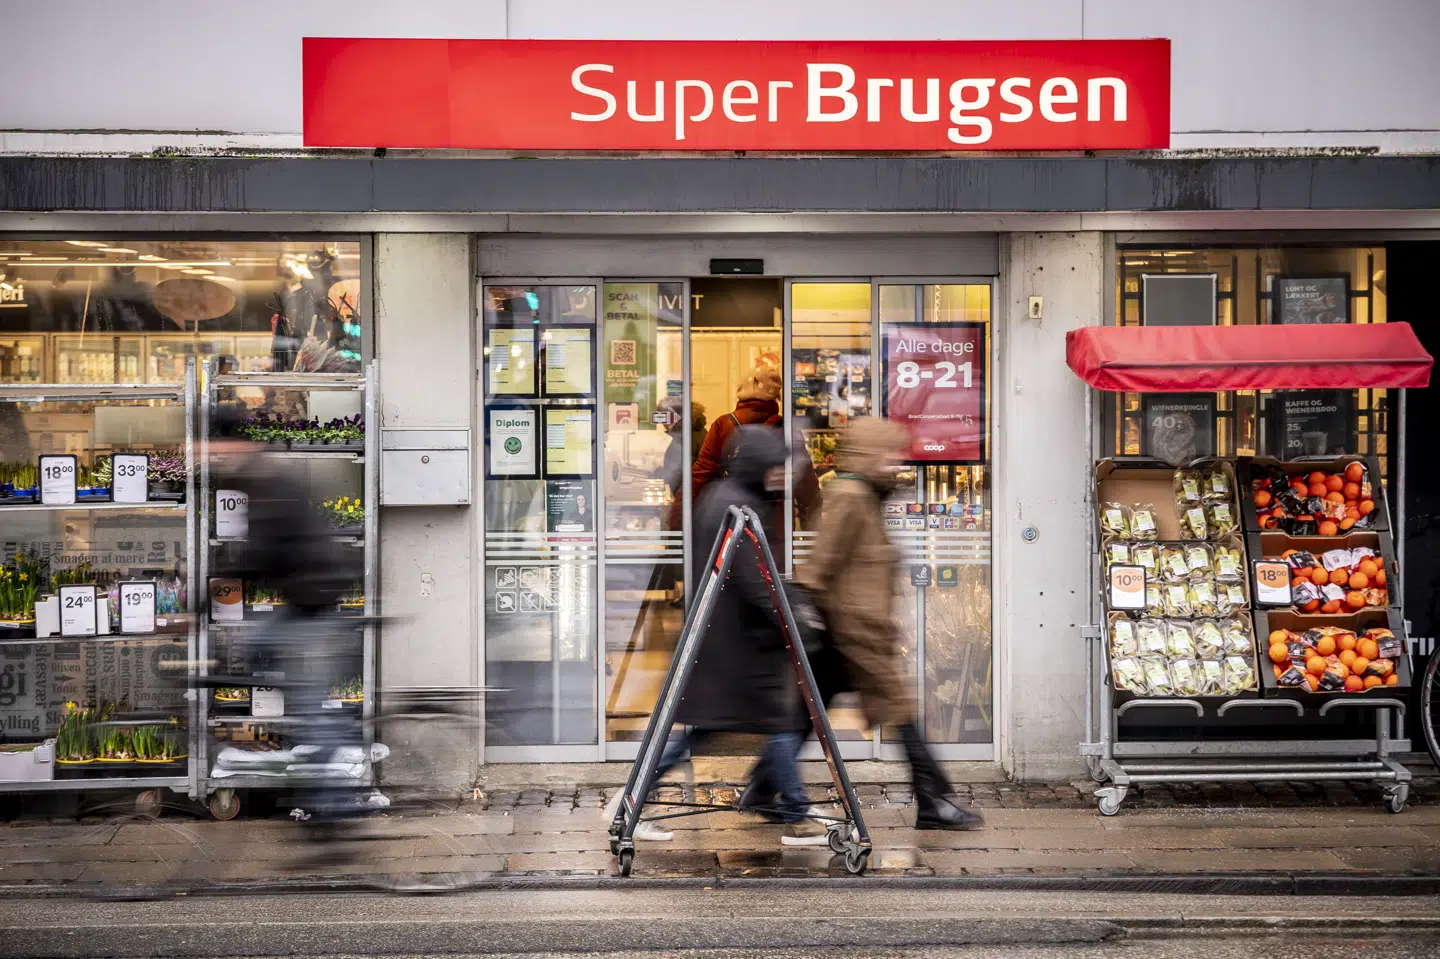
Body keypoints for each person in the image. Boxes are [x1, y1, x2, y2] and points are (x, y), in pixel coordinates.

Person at [606, 425, 822, 844]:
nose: (784, 474)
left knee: (741, 726)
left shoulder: (729, 498)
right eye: (777, 466)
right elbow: (756, 580)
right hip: (735, 645)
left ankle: (792, 809)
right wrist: (793, 616)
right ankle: (793, 811)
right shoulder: (736, 505)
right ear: (760, 463)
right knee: (760, 724)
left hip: (729, 642)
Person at [796, 417, 983, 831]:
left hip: (860, 629)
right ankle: (933, 801)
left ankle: (765, 788)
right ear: (866, 455)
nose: (893, 462)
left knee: (806, 715)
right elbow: (821, 563)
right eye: (886, 454)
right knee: (901, 712)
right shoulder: (849, 496)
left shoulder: (866, 495)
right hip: (853, 631)